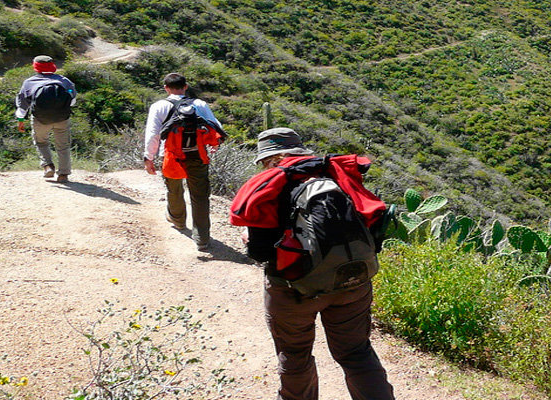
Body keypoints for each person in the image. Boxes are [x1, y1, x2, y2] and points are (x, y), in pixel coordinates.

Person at [237, 127, 395, 400]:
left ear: (276, 158)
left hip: (294, 288)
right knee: (356, 353)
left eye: (265, 161)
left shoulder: (274, 183)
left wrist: (248, 239)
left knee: (295, 355)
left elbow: (260, 253)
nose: (264, 167)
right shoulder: (337, 173)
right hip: (353, 281)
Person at [142, 73, 223, 251]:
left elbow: (153, 134)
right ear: (185, 86)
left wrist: (149, 157)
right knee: (200, 196)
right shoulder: (199, 104)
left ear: (166, 88)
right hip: (198, 155)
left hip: (171, 156)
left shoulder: (159, 106)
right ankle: (202, 238)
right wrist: (215, 144)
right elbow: (216, 126)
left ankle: (178, 220)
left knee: (174, 188)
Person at [15, 55, 77, 183]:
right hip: (62, 119)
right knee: (63, 146)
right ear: (53, 65)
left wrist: (21, 121)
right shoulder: (65, 81)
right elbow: (72, 101)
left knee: (41, 142)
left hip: (40, 120)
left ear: (35, 67)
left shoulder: (29, 83)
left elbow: (22, 106)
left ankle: (48, 166)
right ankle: (63, 174)